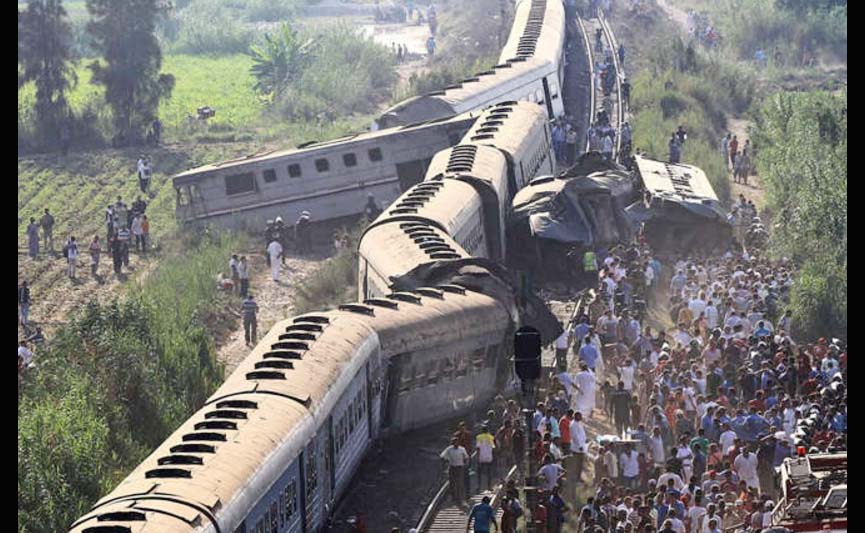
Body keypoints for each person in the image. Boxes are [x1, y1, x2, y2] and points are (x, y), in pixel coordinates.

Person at [441, 437, 470, 504]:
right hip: (452, 467)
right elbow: (442, 456)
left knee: (460, 483)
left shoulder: (462, 449)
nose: (455, 444)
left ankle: (459, 498)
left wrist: (466, 465)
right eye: (454, 442)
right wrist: (445, 464)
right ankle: (454, 497)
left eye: (456, 442)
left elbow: (466, 457)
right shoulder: (449, 449)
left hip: (460, 467)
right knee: (452, 483)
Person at [476, 424, 496, 490]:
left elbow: (478, 448)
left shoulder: (479, 437)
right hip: (489, 457)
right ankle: (489, 486)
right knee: (489, 472)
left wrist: (478, 457)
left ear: (482, 431)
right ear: (488, 430)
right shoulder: (491, 437)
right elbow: (493, 447)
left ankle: (479, 486)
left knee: (479, 473)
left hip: (481, 457)